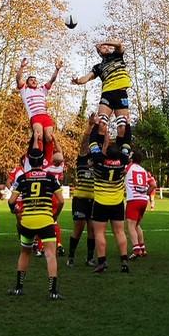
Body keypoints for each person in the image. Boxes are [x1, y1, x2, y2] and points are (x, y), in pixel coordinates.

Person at [7, 148, 65, 300]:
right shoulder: (51, 177)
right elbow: (61, 201)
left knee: (25, 253)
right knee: (51, 255)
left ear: (29, 161)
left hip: (27, 222)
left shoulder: (23, 178)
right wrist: (54, 216)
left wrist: (15, 211)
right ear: (42, 161)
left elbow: (11, 201)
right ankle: (52, 291)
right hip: (46, 221)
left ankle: (19, 288)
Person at [88, 119, 131, 273]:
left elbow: (92, 142)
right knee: (120, 232)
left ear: (105, 152)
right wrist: (127, 125)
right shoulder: (123, 162)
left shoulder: (99, 161)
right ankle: (124, 261)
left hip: (100, 202)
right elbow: (127, 142)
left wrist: (96, 125)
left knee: (99, 233)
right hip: (117, 202)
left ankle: (102, 262)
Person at [71, 39, 131, 139]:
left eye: (108, 46)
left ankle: (122, 150)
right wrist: (77, 81)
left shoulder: (117, 56)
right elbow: (86, 78)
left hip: (121, 92)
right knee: (101, 122)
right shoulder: (98, 67)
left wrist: (104, 42)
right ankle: (99, 149)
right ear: (99, 52)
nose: (107, 47)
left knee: (122, 125)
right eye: (104, 47)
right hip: (107, 94)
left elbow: (119, 45)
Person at [17, 58, 63, 164]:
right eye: (31, 80)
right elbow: (18, 78)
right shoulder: (24, 90)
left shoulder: (42, 90)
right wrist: (22, 67)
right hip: (35, 116)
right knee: (39, 136)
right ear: (27, 83)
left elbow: (52, 80)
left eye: (35, 80)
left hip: (45, 116)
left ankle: (49, 161)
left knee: (49, 137)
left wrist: (57, 69)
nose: (34, 81)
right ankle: (39, 160)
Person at [67, 114, 97, 267]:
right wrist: (90, 126)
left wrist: (103, 127)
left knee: (92, 230)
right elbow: (83, 143)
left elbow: (105, 146)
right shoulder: (82, 158)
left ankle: (90, 258)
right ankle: (71, 257)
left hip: (94, 199)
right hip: (80, 199)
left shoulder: (98, 160)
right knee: (78, 228)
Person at [126, 151, 157, 259]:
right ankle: (142, 248)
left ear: (132, 159)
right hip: (143, 200)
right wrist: (147, 193)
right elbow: (153, 184)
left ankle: (136, 249)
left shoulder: (129, 167)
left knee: (130, 225)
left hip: (133, 199)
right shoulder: (144, 171)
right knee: (137, 225)